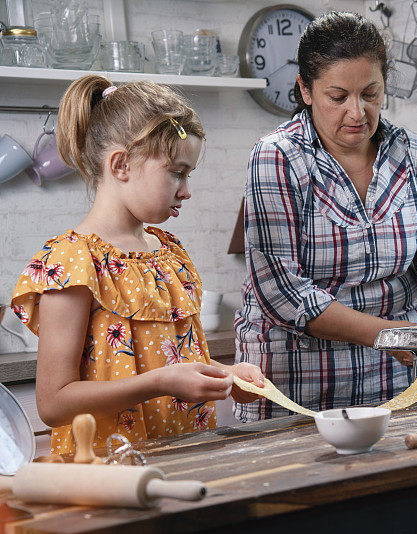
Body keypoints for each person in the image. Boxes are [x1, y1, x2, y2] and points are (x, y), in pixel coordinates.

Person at [234, 12, 417, 421]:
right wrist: (388, 334)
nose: (358, 112)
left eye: (371, 93)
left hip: (394, 378)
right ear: (305, 90)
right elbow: (284, 294)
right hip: (296, 383)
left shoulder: (410, 152)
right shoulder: (277, 157)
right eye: (338, 97)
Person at [10, 75, 265, 455]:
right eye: (177, 172)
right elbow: (53, 403)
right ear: (121, 165)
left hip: (188, 458)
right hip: (111, 475)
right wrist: (159, 383)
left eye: (189, 174)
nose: (187, 189)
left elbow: (179, 363)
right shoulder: (71, 261)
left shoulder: (169, 253)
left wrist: (226, 376)